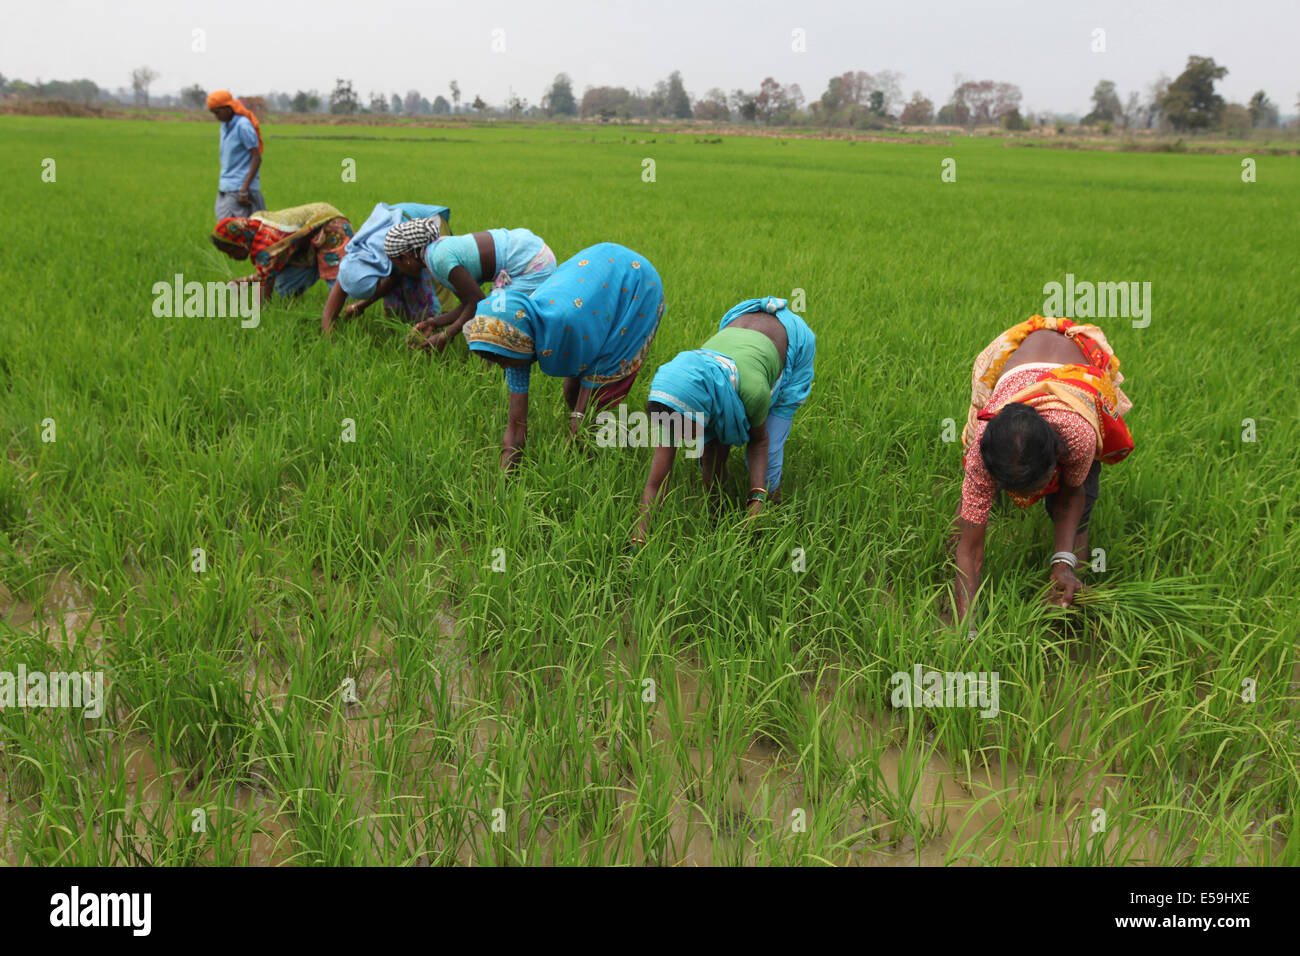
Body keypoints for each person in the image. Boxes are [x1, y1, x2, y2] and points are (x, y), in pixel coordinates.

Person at [951, 316, 1134, 625]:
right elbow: (971, 553)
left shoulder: (1078, 433)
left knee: (1084, 497)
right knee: (972, 505)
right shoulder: (983, 445)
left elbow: (1072, 492)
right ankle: (955, 539)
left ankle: (1070, 593)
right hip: (1021, 367)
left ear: (1057, 459)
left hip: (1073, 380)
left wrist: (1062, 562)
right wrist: (967, 630)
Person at [462, 243, 665, 471]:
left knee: (595, 399)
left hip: (636, 287)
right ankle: (586, 448)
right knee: (573, 394)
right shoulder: (515, 335)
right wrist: (502, 482)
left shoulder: (563, 325)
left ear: (524, 343)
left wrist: (578, 423)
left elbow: (597, 368)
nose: (503, 367)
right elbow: (516, 426)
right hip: (592, 292)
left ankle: (596, 459)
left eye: (503, 360)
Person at [633, 296, 815, 546]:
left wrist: (757, 497)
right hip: (738, 327)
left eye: (687, 430)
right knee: (710, 449)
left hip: (789, 340)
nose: (684, 439)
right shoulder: (673, 402)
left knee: (771, 455)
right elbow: (655, 482)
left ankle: (772, 519)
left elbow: (759, 443)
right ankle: (716, 511)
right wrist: (638, 538)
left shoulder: (753, 391)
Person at [384, 224, 557, 352]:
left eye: (396, 264)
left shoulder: (439, 259)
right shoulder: (435, 253)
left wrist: (446, 335)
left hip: (531, 262)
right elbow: (468, 303)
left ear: (405, 257)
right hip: (522, 252)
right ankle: (494, 373)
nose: (400, 270)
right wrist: (433, 323)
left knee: (490, 327)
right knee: (488, 318)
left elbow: (476, 302)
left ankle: (493, 379)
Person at [320, 202, 456, 335]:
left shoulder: (391, 252)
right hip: (397, 226)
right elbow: (340, 291)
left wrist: (361, 306)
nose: (381, 286)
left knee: (436, 282)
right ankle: (407, 329)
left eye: (378, 284)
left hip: (426, 223)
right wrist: (328, 333)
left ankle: (440, 332)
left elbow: (405, 275)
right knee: (404, 286)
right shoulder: (353, 264)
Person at [211, 202, 353, 300]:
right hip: (305, 241)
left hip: (331, 225)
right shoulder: (253, 224)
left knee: (339, 281)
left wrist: (261, 313)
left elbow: (265, 283)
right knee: (283, 292)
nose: (231, 257)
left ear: (240, 242)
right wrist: (244, 281)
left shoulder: (265, 246)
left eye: (231, 251)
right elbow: (269, 272)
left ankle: (349, 311)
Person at [207, 90, 265, 220]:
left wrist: (244, 190)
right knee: (224, 233)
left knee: (241, 235)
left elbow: (257, 158)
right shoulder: (225, 125)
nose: (216, 116)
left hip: (241, 190)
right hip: (225, 187)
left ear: (228, 108)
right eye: (213, 113)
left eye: (217, 112)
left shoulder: (242, 126)